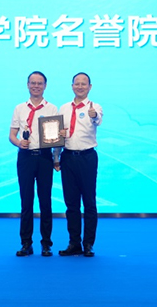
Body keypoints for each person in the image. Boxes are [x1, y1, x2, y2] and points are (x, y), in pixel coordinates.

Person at [9, 71, 59, 257]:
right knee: (26, 201)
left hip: (45, 157)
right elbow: (12, 135)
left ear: (45, 86)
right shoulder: (19, 108)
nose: (36, 86)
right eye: (33, 83)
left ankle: (46, 244)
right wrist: (18, 142)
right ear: (27, 85)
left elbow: (55, 138)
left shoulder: (52, 108)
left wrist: (56, 156)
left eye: (40, 83)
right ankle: (26, 243)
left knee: (45, 201)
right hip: (25, 158)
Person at [57, 72, 103, 257]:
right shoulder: (63, 108)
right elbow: (58, 135)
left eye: (84, 84)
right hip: (67, 157)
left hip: (87, 158)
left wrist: (94, 115)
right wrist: (56, 157)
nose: (80, 86)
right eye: (77, 83)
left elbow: (97, 119)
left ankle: (88, 244)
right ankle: (74, 243)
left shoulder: (95, 107)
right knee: (71, 204)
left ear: (90, 87)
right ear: (72, 86)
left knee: (89, 202)